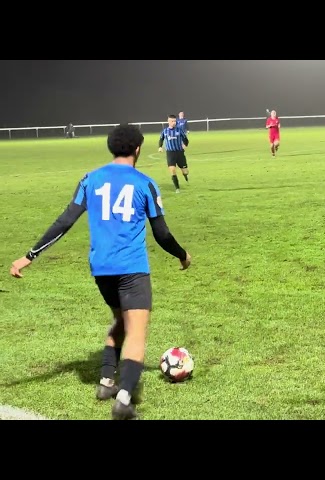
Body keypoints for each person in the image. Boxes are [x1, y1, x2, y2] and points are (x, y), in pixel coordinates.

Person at [9, 124, 192, 420]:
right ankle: (124, 397)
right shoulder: (145, 183)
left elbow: (64, 221)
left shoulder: (89, 180)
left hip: (101, 269)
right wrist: (183, 256)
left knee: (120, 319)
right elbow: (162, 234)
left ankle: (107, 380)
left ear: (111, 148)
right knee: (136, 331)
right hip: (132, 268)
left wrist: (29, 256)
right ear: (137, 150)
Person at [159, 114, 190, 193]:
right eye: (172, 121)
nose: (174, 122)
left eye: (175, 121)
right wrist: (160, 147)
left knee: (185, 171)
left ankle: (185, 175)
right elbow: (161, 139)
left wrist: (185, 145)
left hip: (180, 153)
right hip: (170, 153)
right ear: (168, 121)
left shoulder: (179, 130)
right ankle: (177, 188)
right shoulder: (165, 131)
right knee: (172, 170)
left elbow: (186, 139)